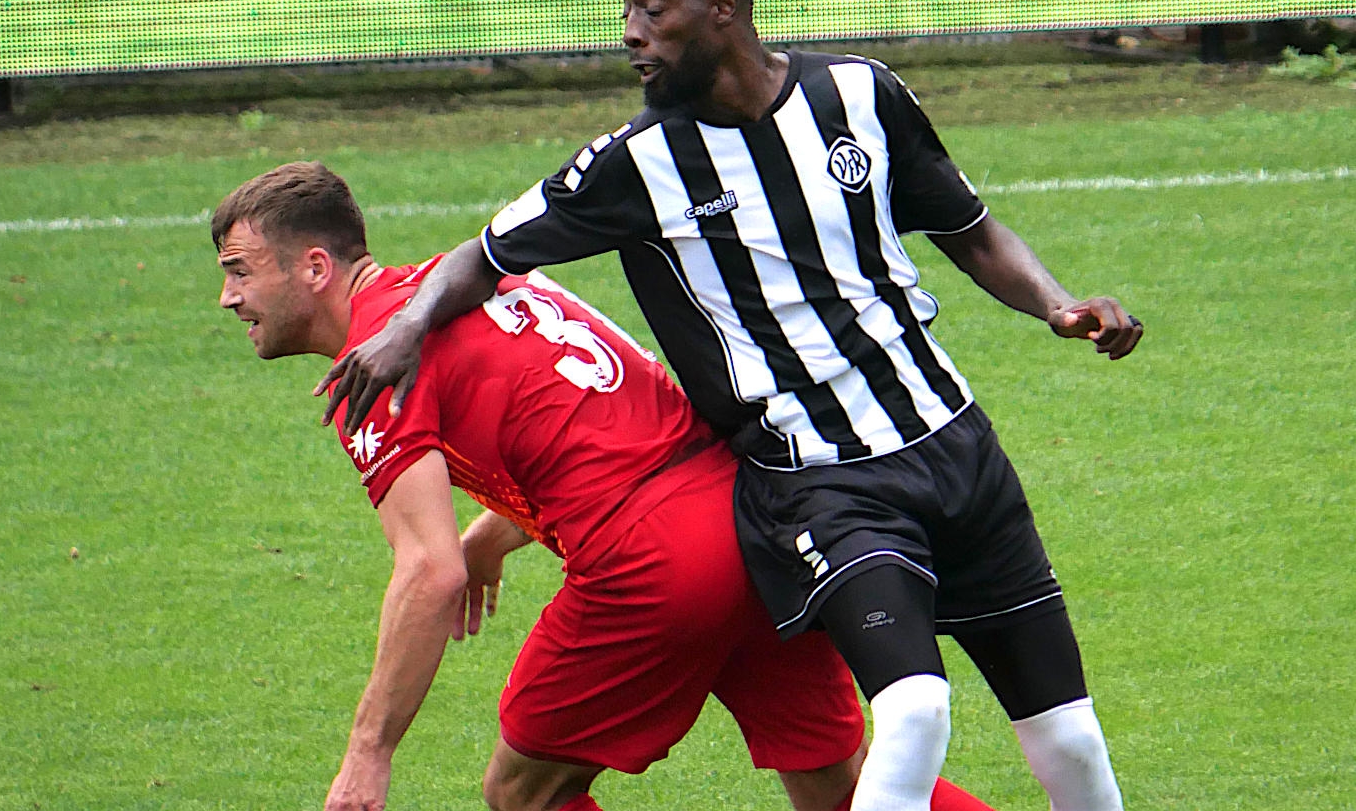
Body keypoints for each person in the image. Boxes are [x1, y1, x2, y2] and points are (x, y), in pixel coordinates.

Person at [317, 0, 1145, 811]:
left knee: (1069, 738)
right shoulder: (636, 164)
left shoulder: (860, 94)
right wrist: (405, 327)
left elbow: (971, 231)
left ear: (723, 8)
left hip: (958, 445)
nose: (631, 33)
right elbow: (484, 255)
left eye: (651, 9)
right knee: (912, 712)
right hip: (822, 485)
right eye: (626, 11)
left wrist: (1057, 303)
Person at [212, 161, 998, 811]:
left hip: (653, 562)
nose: (229, 298)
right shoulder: (466, 283)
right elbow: (592, 427)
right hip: (755, 518)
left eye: (240, 271)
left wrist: (367, 755)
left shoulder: (381, 360)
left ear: (314, 268)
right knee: (843, 787)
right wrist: (494, 536)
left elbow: (428, 570)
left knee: (525, 792)